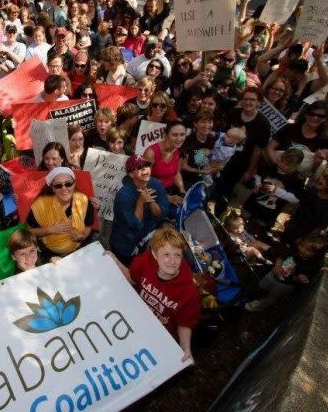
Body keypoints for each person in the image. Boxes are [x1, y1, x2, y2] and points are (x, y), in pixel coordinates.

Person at [109, 225, 199, 362]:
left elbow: (184, 323)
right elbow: (132, 278)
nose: (172, 261)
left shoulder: (190, 291)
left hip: (158, 339)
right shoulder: (145, 261)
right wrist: (115, 261)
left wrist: (185, 346)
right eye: (166, 254)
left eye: (177, 255)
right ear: (155, 254)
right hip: (133, 323)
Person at [245, 233, 328, 312]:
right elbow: (281, 253)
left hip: (287, 285)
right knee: (263, 285)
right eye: (302, 246)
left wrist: (298, 278)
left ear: (318, 254)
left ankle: (261, 305)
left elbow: (303, 281)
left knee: (273, 295)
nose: (303, 250)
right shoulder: (294, 250)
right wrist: (278, 264)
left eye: (309, 250)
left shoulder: (313, 266)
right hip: (274, 274)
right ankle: (254, 295)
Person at [111, 155, 169, 266]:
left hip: (147, 241)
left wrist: (151, 200)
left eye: (146, 165)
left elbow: (161, 215)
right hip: (125, 245)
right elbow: (136, 224)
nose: (144, 169)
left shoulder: (156, 184)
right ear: (131, 174)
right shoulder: (123, 195)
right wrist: (141, 202)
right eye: (139, 167)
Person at [27, 167, 94, 259]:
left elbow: (88, 226)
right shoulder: (40, 206)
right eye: (58, 185)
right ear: (52, 188)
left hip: (78, 252)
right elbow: (30, 231)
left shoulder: (83, 201)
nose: (64, 189)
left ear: (74, 184)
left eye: (68, 184)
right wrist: (50, 230)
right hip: (49, 255)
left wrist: (82, 236)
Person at [281, 168, 328, 246]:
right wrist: (291, 217)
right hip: (294, 226)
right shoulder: (312, 191)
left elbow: (321, 228)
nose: (320, 178)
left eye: (325, 178)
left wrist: (304, 240)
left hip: (306, 236)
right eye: (322, 176)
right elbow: (300, 204)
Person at [144, 122, 187, 201]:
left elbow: (177, 173)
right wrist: (168, 198)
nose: (179, 139)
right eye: (174, 135)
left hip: (171, 190)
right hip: (153, 193)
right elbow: (143, 181)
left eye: (182, 134)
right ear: (166, 135)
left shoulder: (179, 150)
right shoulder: (151, 152)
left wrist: (182, 190)